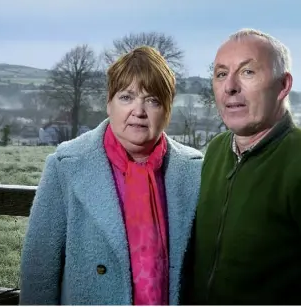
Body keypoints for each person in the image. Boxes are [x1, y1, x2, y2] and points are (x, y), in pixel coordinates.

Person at [182, 29, 301, 305]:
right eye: (221, 74)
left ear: (283, 85)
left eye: (247, 72)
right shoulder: (214, 152)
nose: (230, 87)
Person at [19, 46, 203, 305]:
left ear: (167, 110)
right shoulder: (67, 165)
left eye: (152, 100)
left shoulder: (194, 170)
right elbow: (39, 271)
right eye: (126, 97)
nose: (138, 111)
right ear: (109, 103)